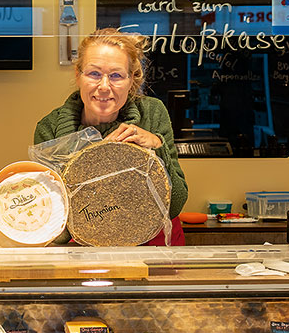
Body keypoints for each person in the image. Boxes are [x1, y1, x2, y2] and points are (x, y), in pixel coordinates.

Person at [34, 28, 188, 245]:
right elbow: (56, 229)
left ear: (131, 79)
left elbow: (175, 204)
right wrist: (91, 165)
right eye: (94, 74)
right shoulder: (49, 130)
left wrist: (157, 146)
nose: (104, 86)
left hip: (151, 247)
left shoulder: (153, 113)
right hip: (82, 251)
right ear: (78, 76)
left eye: (116, 75)